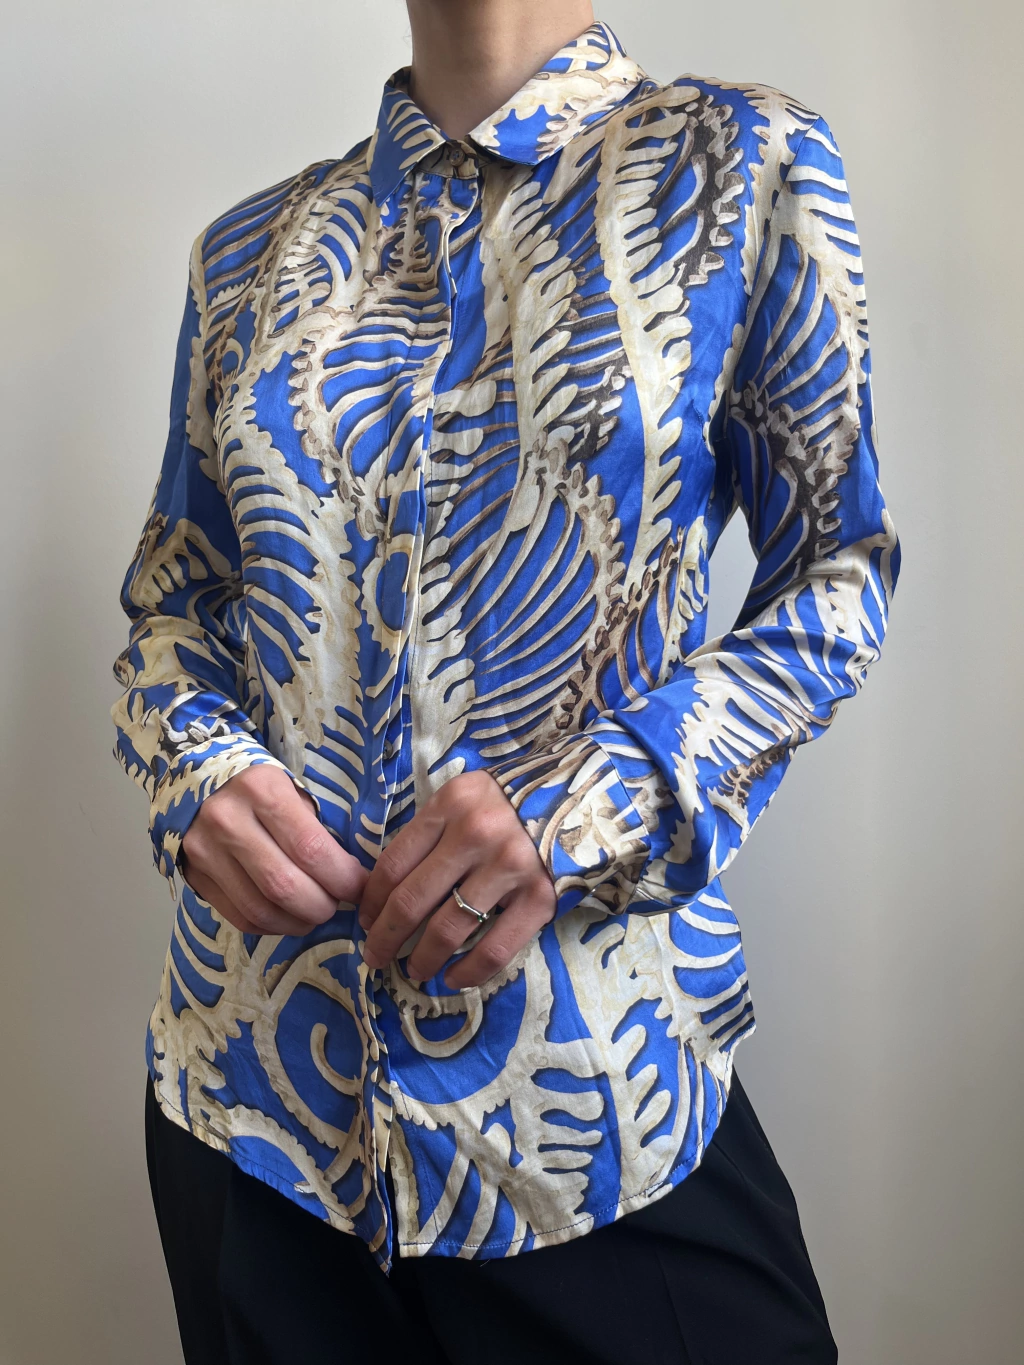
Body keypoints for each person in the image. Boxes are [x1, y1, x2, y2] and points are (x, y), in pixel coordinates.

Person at [112, 1, 900, 1360]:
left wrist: (587, 808)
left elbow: (839, 582)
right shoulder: (244, 254)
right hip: (252, 1117)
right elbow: (174, 601)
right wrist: (195, 770)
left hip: (591, 1114)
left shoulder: (740, 166)